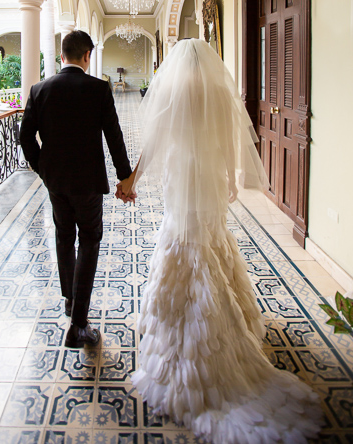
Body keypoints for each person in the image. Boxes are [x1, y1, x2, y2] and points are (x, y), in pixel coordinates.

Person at [117, 39, 323, 443]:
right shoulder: (217, 90)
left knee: (184, 240)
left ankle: (192, 331)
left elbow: (155, 142)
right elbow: (230, 136)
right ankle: (229, 321)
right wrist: (231, 177)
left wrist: (132, 179)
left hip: (182, 175)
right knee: (210, 240)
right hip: (208, 176)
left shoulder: (173, 90)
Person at [20, 30, 135, 348]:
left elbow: (26, 137)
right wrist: (125, 177)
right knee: (90, 240)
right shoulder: (98, 88)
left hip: (55, 181)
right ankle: (79, 325)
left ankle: (71, 299)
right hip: (87, 182)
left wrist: (43, 169)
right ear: (87, 56)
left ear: (61, 56)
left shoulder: (40, 89)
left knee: (63, 235)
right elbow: (113, 135)